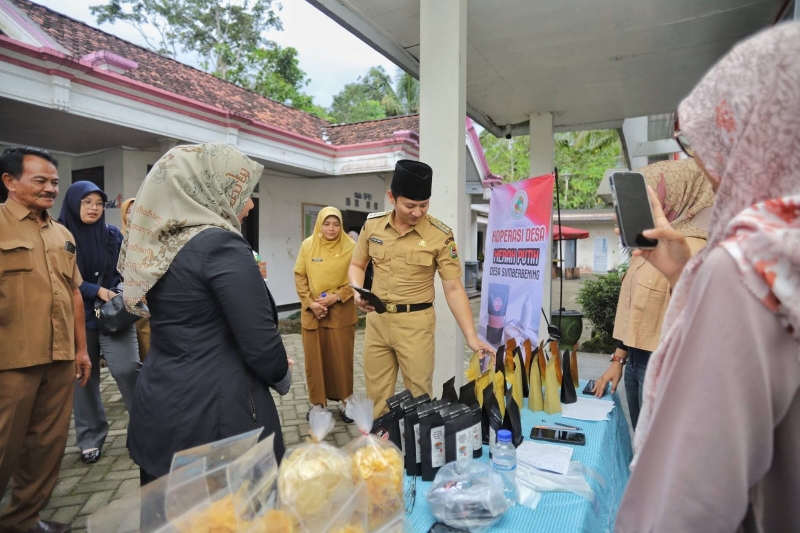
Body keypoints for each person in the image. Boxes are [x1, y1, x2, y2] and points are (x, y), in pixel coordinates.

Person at [616, 22, 800, 533]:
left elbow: (687, 500)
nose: (710, 167)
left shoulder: (748, 266)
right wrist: (683, 275)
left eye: (711, 146)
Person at [121, 143, 291, 485]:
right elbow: (259, 341)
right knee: (227, 507)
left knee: (170, 506)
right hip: (216, 414)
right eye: (242, 193)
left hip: (160, 398)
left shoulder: (159, 244)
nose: (250, 205)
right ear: (209, 189)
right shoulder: (220, 245)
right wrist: (281, 373)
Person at [349, 159, 495, 419]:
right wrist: (357, 291)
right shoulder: (373, 225)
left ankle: (417, 444)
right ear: (392, 197)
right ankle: (380, 444)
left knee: (418, 397)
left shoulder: (440, 235)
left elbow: (453, 288)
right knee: (376, 396)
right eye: (410, 205)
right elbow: (357, 264)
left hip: (416, 324)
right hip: (377, 322)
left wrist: (471, 337)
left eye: (424, 205)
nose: (417, 212)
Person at [0, 147, 91, 533]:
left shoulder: (62, 233)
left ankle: (22, 521)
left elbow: (74, 293)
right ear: (10, 181)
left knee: (46, 449)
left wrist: (81, 349)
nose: (51, 188)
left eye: (54, 181)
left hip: (59, 359)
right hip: (11, 362)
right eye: (40, 180)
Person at [593, 159, 714, 428]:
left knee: (656, 439)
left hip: (666, 365)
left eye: (654, 196)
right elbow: (637, 309)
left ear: (679, 193)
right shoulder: (651, 244)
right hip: (635, 362)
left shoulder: (695, 249)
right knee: (641, 436)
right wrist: (618, 360)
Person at [58, 182, 141, 465]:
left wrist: (117, 289)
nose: (94, 208)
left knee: (128, 369)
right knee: (84, 378)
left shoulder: (112, 234)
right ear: (73, 204)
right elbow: (62, 279)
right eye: (87, 202)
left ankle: (145, 428)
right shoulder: (59, 236)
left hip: (113, 314)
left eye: (98, 203)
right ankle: (90, 437)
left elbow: (124, 270)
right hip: (78, 317)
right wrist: (99, 291)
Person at [294, 207, 357, 422]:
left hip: (341, 311)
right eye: (327, 224)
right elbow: (300, 275)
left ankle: (346, 402)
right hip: (314, 312)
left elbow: (356, 278)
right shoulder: (308, 245)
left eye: (336, 224)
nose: (331, 228)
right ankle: (317, 404)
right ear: (319, 225)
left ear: (341, 226)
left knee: (342, 360)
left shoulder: (351, 247)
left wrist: (336, 296)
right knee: (314, 361)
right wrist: (310, 303)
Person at [120, 197, 151, 362]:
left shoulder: (149, 237)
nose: (133, 216)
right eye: (129, 212)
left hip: (151, 294)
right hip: (130, 297)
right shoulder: (117, 238)